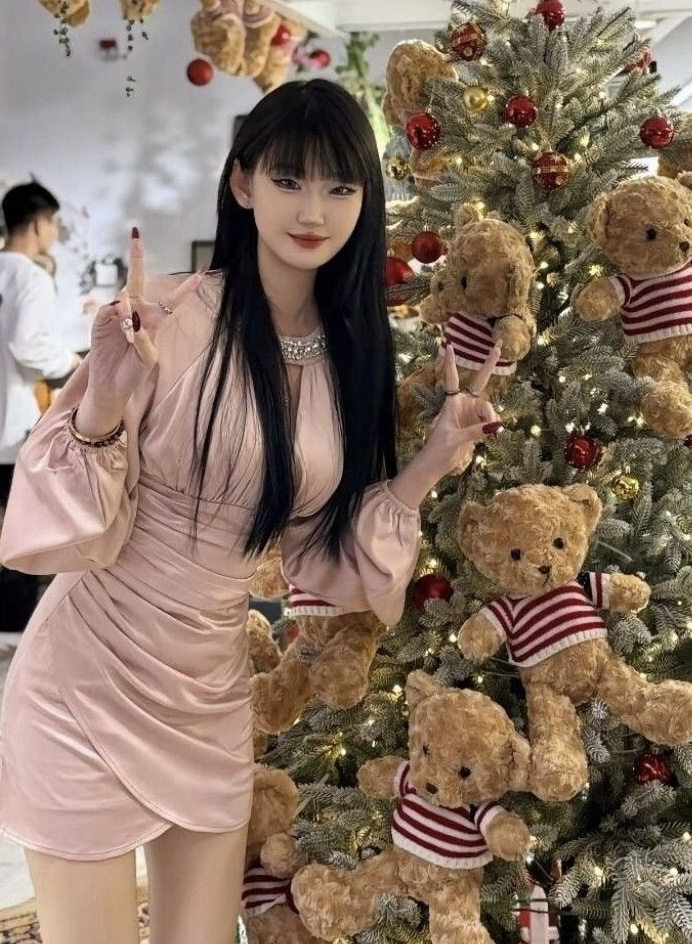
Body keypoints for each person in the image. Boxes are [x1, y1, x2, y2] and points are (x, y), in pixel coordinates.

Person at [0, 80, 501, 944]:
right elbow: (69, 524)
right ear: (242, 184)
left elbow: (317, 559)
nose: (313, 210)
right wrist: (103, 402)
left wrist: (430, 463)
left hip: (208, 695)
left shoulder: (353, 359)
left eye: (340, 186)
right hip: (86, 680)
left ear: (364, 201)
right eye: (289, 179)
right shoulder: (167, 316)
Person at [0, 182, 81, 632]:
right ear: (37, 224)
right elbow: (28, 346)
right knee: (20, 530)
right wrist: (70, 361)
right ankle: (14, 631)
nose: (54, 232)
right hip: (11, 426)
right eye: (53, 223)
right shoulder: (30, 277)